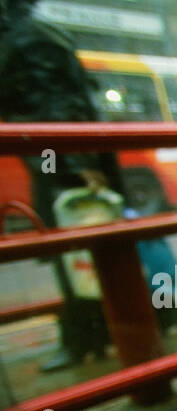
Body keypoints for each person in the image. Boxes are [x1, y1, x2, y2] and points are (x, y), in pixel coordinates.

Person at [0, 0, 120, 372]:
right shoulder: (32, 34)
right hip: (61, 158)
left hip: (61, 162)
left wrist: (79, 164)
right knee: (93, 250)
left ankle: (89, 337)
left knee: (76, 252)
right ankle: (121, 327)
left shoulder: (27, 38)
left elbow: (58, 106)